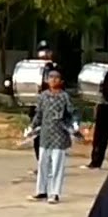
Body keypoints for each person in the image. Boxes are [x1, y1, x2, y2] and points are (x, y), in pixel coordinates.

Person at [29, 68, 79, 203]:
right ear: (46, 80)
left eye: (56, 78)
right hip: (45, 134)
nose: (53, 80)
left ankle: (55, 193)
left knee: (57, 165)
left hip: (60, 134)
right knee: (42, 164)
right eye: (51, 77)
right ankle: (41, 191)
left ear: (61, 81)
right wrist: (32, 127)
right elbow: (38, 114)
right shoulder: (43, 96)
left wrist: (75, 125)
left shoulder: (64, 97)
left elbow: (72, 113)